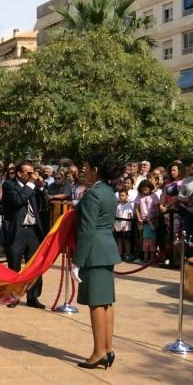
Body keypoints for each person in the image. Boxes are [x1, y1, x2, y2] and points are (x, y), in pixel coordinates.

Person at [71, 154, 122, 369]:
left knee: (96, 304)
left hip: (94, 251)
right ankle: (107, 347)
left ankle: (99, 351)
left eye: (87, 167)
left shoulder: (93, 194)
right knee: (106, 302)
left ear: (96, 169)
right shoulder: (108, 191)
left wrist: (77, 260)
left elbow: (87, 229)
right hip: (106, 248)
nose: (84, 171)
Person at [1, 161, 47, 309]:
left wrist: (40, 189)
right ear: (19, 173)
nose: (31, 175)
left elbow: (44, 204)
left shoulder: (32, 187)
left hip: (32, 231)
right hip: (17, 231)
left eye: (33, 172)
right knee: (14, 266)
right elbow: (17, 201)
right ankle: (13, 297)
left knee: (35, 266)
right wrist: (32, 184)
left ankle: (33, 297)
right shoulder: (9, 185)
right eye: (28, 173)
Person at [134, 179, 160, 264]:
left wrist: (154, 217)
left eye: (146, 189)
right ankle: (143, 258)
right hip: (143, 221)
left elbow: (157, 209)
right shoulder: (139, 196)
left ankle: (152, 259)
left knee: (152, 241)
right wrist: (139, 219)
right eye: (142, 190)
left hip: (152, 221)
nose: (144, 191)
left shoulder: (154, 196)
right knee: (143, 240)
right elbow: (137, 208)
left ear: (150, 188)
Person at [113, 189, 135, 261]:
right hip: (118, 226)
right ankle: (120, 254)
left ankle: (127, 254)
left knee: (126, 241)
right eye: (120, 196)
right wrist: (114, 225)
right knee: (119, 241)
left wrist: (125, 226)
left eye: (123, 195)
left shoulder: (128, 205)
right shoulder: (117, 205)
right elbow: (115, 216)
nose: (121, 197)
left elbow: (129, 216)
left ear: (127, 196)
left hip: (126, 227)